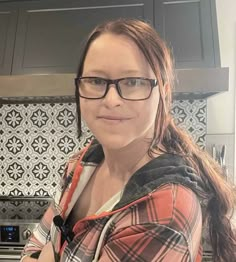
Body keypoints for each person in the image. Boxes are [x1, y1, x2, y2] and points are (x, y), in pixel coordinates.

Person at [21, 18, 236, 262]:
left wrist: (50, 255)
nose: (111, 100)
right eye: (96, 80)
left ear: (163, 92)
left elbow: (41, 251)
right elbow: (33, 247)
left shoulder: (166, 211)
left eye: (133, 82)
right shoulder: (83, 162)